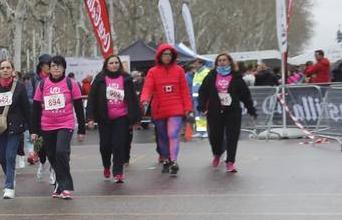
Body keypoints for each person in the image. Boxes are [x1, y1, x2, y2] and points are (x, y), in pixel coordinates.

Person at [30, 54, 86, 199]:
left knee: (61, 152)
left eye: (59, 66)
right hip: (47, 125)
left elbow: (79, 107)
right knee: (52, 155)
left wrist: (82, 129)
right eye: (53, 66)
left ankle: (65, 186)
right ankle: (59, 185)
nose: (56, 68)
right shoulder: (42, 84)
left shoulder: (71, 83)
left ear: (64, 68)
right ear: (49, 68)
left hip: (65, 123)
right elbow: (36, 109)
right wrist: (34, 130)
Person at [140, 43, 194, 175]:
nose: (167, 57)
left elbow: (185, 91)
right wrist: (144, 100)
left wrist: (188, 108)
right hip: (159, 109)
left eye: (170, 54)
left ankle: (174, 161)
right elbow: (147, 88)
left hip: (176, 108)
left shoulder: (179, 70)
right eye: (165, 54)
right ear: (159, 55)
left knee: (173, 134)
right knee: (162, 137)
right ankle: (166, 159)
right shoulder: (152, 72)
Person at [0, 59, 31, 199]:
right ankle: (10, 174)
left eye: (8, 67)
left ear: (12, 70)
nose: (5, 70)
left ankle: (9, 186)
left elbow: (26, 109)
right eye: (2, 68)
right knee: (1, 157)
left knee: (10, 156)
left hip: (15, 127)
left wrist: (32, 129)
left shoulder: (20, 87)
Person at [87, 54, 141, 184]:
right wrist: (90, 118)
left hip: (121, 117)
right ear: (106, 65)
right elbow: (91, 99)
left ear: (120, 64)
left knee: (119, 144)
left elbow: (133, 99)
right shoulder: (100, 79)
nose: (114, 65)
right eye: (111, 63)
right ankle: (106, 165)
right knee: (105, 146)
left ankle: (118, 172)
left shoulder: (126, 78)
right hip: (104, 117)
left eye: (116, 62)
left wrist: (136, 118)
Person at [198, 52, 256, 174]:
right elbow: (203, 92)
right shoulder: (211, 76)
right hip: (215, 111)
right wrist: (202, 105)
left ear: (230, 62)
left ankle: (230, 162)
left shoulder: (236, 77)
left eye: (224, 60)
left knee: (232, 137)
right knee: (215, 136)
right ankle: (217, 154)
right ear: (216, 63)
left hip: (232, 111)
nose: (222, 62)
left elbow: (245, 95)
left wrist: (251, 109)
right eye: (219, 60)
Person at [31, 54, 54, 184]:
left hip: (53, 117)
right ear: (41, 66)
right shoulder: (34, 80)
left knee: (52, 145)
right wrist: (38, 102)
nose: (50, 67)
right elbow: (29, 97)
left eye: (52, 64)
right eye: (47, 64)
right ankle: (43, 162)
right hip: (38, 117)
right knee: (39, 145)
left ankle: (53, 169)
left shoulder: (56, 78)